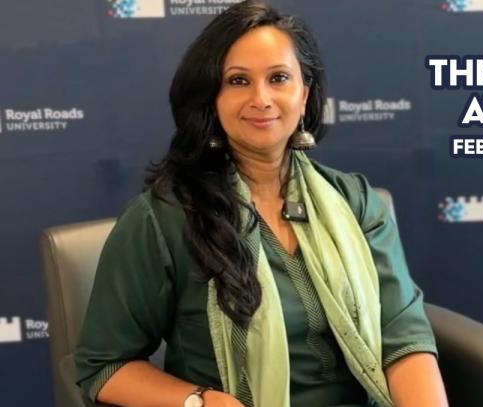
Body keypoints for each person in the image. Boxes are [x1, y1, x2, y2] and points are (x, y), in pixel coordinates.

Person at [74, 2, 448, 407]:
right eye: (238, 81)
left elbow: (403, 339)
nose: (261, 98)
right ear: (211, 98)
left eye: (278, 78)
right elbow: (104, 366)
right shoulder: (162, 220)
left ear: (304, 95)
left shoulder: (354, 201)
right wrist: (199, 401)